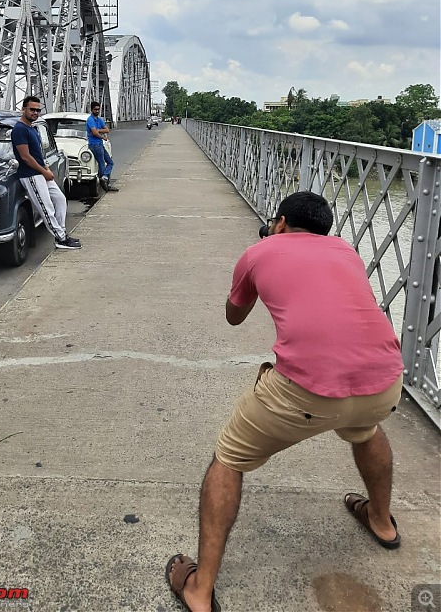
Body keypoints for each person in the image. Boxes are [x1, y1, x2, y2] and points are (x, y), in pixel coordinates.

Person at [166, 191, 404, 612]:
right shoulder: (346, 251)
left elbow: (234, 316)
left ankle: (200, 590)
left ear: (279, 222)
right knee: (364, 427)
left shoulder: (260, 251)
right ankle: (382, 523)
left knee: (229, 459)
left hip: (305, 391)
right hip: (384, 381)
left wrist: (252, 266)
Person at [11, 96, 81, 250]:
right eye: (32, 109)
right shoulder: (19, 129)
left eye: (38, 110)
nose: (35, 113)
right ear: (24, 109)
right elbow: (26, 157)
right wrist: (44, 171)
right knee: (46, 207)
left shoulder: (32, 128)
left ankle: (61, 233)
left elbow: (37, 153)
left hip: (40, 172)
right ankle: (61, 239)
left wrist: (46, 168)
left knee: (60, 199)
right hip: (30, 174)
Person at [86, 101, 119, 192]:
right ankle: (105, 182)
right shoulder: (90, 120)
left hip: (99, 144)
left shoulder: (99, 119)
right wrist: (102, 137)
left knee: (110, 162)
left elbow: (107, 130)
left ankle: (104, 178)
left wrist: (98, 130)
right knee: (101, 162)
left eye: (98, 109)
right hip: (94, 144)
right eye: (95, 109)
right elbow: (94, 133)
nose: (97, 111)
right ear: (91, 109)